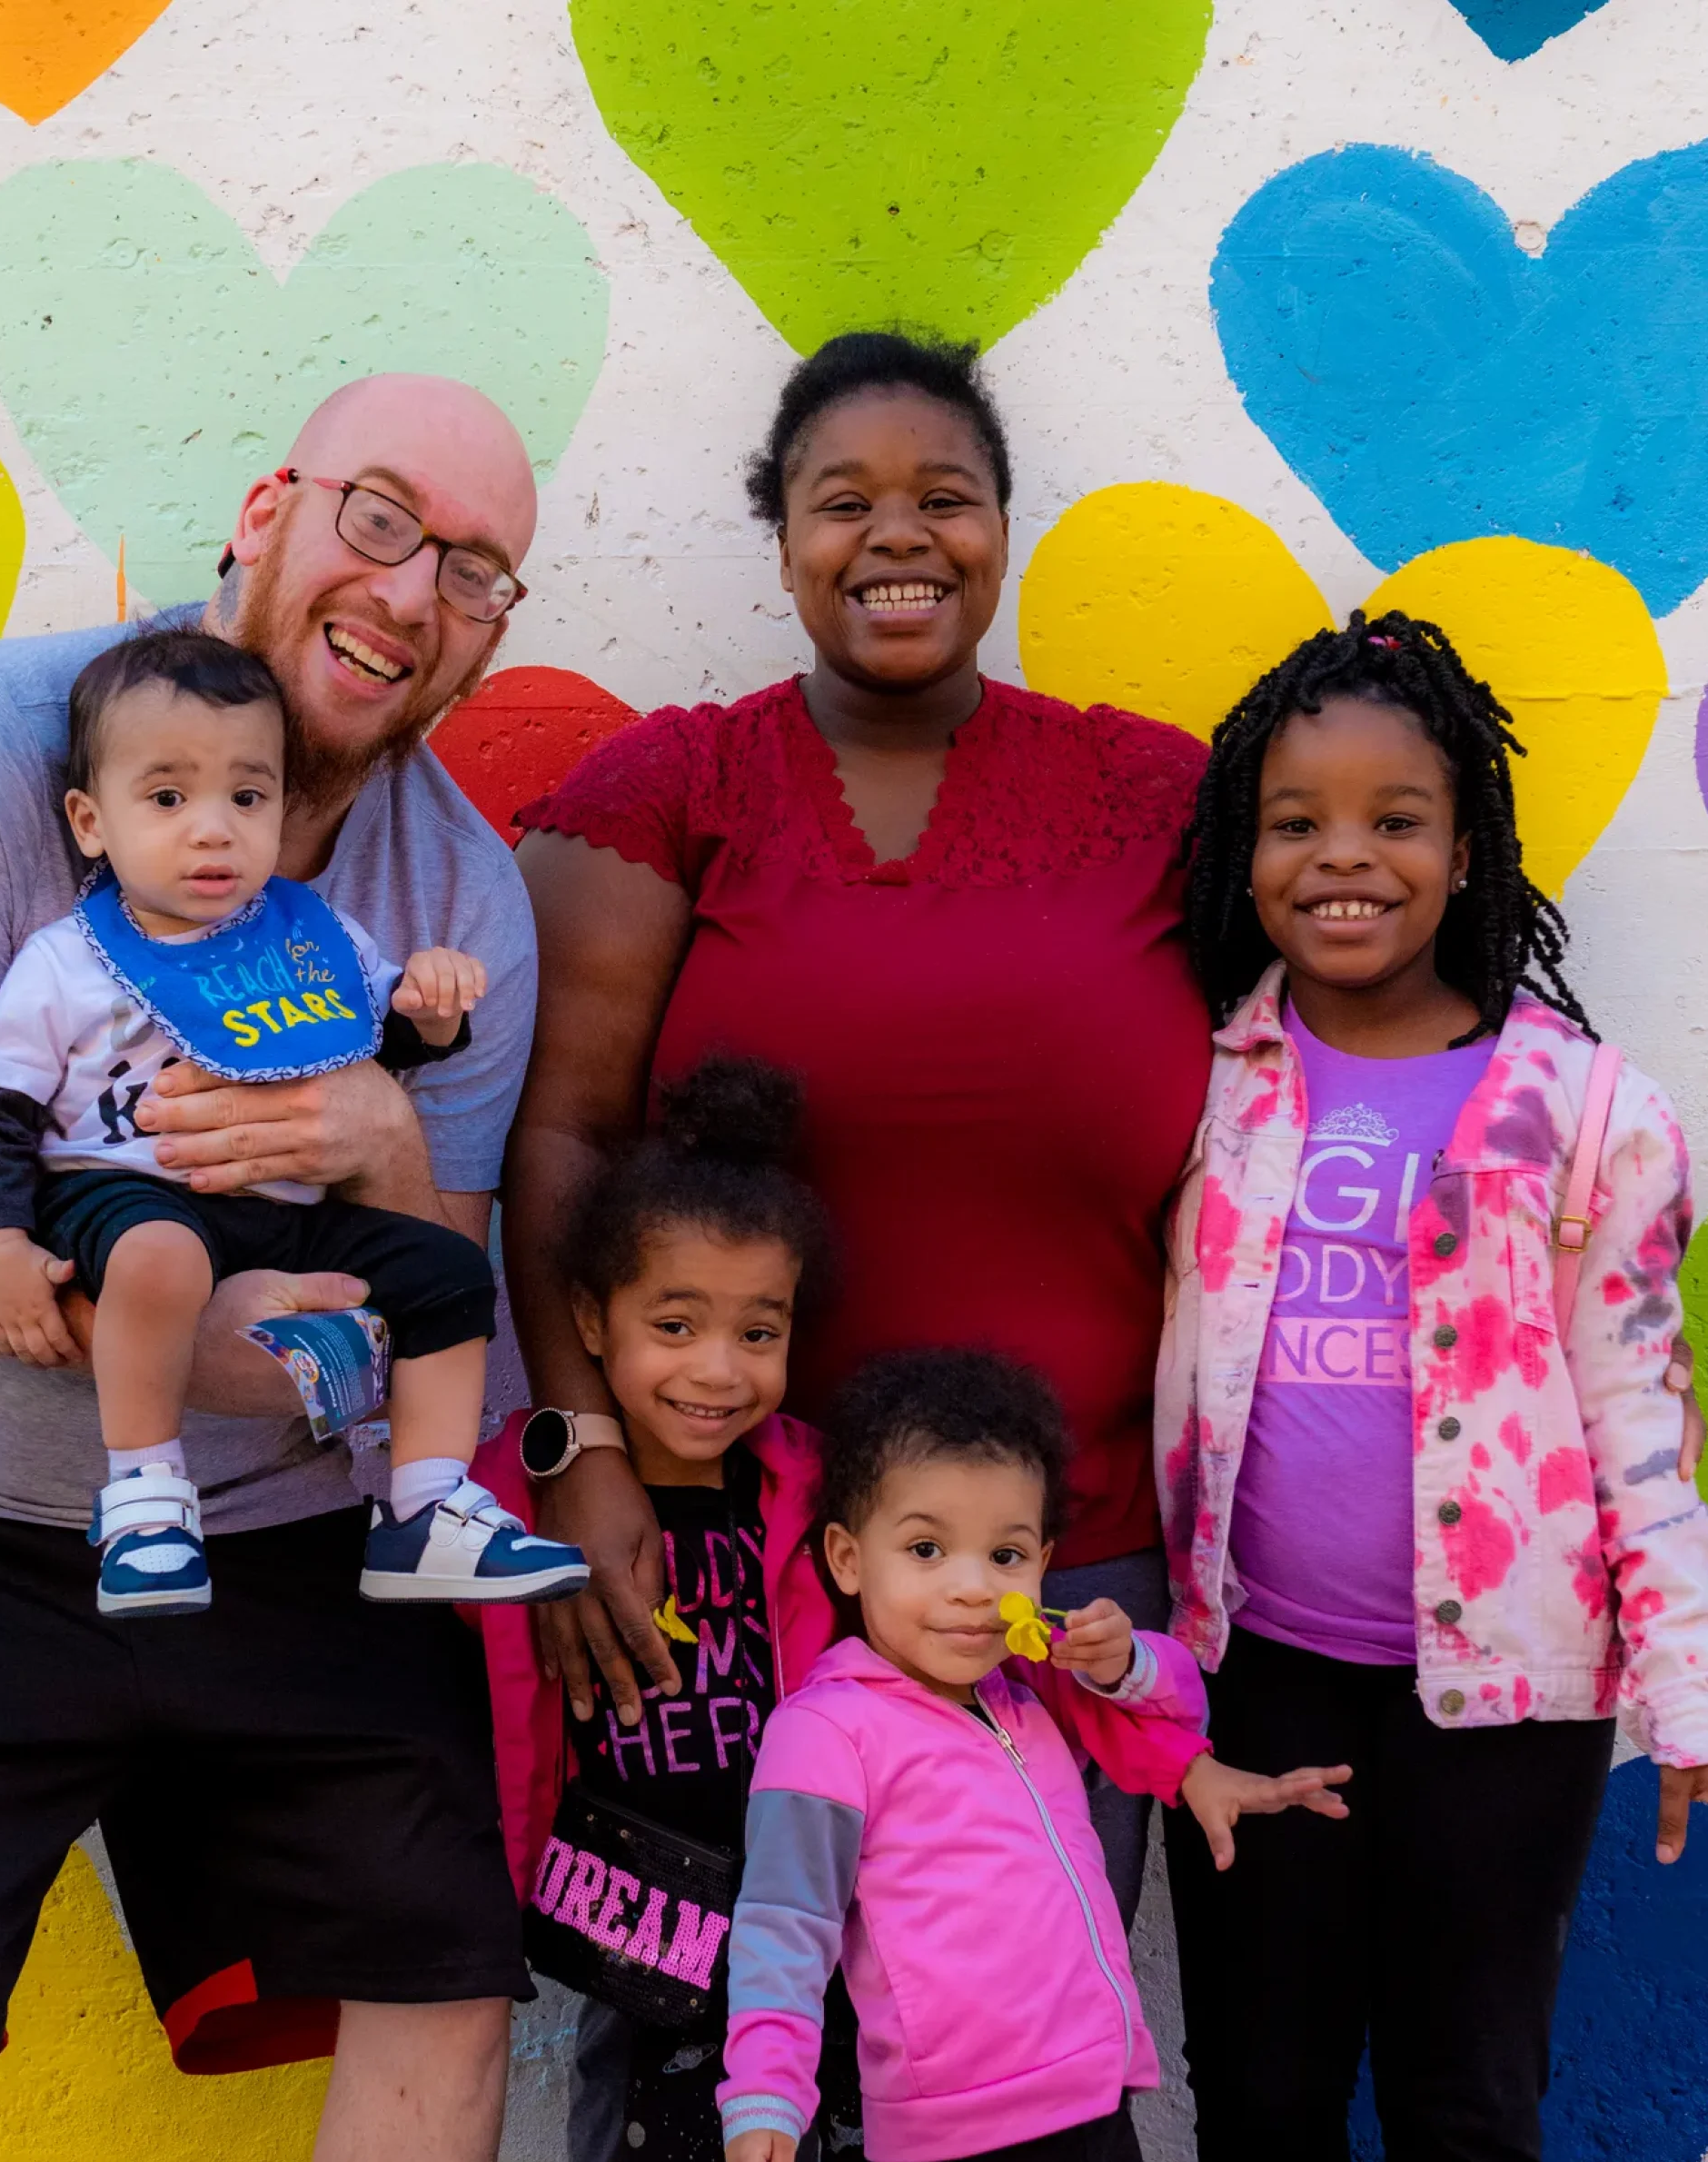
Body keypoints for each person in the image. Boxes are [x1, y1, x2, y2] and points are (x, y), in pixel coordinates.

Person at [0, 374, 545, 2162]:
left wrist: (385, 1147)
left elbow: (440, 1297)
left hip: (276, 1524)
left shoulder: (457, 903)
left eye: (476, 571)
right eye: (378, 517)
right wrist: (153, 1334)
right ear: (266, 510)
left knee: (448, 1966)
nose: (410, 591)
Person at [505, 330, 1213, 1931]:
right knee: (708, 2033)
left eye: (944, 498)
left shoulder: (1160, 800)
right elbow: (560, 1137)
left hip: (1063, 1575)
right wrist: (584, 1455)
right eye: (844, 502)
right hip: (733, 1560)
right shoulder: (675, 790)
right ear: (784, 542)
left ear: (1003, 530)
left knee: (1015, 2029)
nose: (899, 536)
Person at [1155, 610, 1708, 2162]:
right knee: (1264, 2093)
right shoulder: (1206, 1075)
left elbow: (1644, 1427)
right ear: (1244, 852)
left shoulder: (1585, 1112)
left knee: (1466, 2094)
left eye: (1396, 820)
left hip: (1507, 1706)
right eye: (1296, 822)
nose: (1343, 858)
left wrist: (1698, 1709)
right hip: (1259, 1674)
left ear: (1465, 852)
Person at [0, 626, 583, 1613]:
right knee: (159, 1259)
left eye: (247, 797)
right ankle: (147, 1501)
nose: (213, 830)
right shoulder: (67, 961)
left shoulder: (312, 938)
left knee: (451, 1271)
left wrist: (432, 1008)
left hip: (286, 1209)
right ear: (90, 821)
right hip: (122, 1191)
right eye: (168, 798)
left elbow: (375, 1040)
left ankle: (424, 1505)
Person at [717, 1349, 1346, 2162]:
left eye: (1005, 1556)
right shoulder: (827, 1731)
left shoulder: (1027, 1695)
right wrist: (763, 2093)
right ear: (847, 1558)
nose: (973, 1588)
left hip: (1096, 2125)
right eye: (926, 1550)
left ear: (1043, 1565)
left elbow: (1167, 1709)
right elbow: (782, 1925)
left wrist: (1122, 1658)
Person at [469, 1055, 836, 2162]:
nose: (717, 1371)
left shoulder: (809, 1491)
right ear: (590, 1320)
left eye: (758, 1332)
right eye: (674, 1327)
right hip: (628, 1901)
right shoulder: (517, 1498)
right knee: (642, 2159)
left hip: (771, 1904)